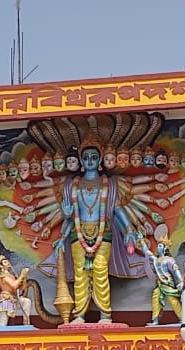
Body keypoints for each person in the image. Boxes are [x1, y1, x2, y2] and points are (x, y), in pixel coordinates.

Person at [51, 137, 146, 323]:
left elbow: (117, 209)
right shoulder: (72, 185)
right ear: (81, 160)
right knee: (81, 274)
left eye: (94, 157)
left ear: (100, 160)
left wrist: (128, 232)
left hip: (104, 233)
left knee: (101, 271)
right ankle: (79, 315)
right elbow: (70, 215)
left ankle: (105, 315)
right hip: (78, 233)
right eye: (85, 157)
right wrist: (63, 231)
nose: (90, 161)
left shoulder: (109, 184)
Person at [0, 254, 33, 329]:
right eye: (5, 262)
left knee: (27, 301)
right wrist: (22, 275)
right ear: (1, 266)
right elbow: (14, 285)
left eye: (7, 261)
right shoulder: (3, 277)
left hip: (14, 299)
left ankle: (26, 323)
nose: (8, 263)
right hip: (6, 300)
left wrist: (24, 277)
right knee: (2, 325)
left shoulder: (11, 275)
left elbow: (22, 288)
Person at [143, 235, 183, 326]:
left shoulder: (169, 260)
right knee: (155, 299)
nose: (158, 247)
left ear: (165, 248)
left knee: (172, 300)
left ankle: (182, 318)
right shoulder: (156, 260)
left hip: (168, 283)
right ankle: (155, 321)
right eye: (158, 246)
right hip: (159, 284)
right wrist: (142, 242)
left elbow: (176, 270)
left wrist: (181, 281)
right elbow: (147, 252)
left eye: (160, 246)